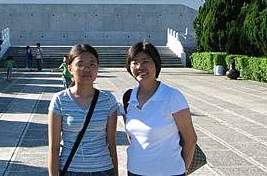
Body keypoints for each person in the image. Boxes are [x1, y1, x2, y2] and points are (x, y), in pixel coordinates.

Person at [122, 42, 197, 176]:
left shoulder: (172, 96)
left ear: (156, 64)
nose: (140, 67)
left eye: (145, 61)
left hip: (169, 172)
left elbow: (190, 139)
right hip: (134, 171)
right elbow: (132, 137)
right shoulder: (128, 97)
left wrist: (183, 169)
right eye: (135, 62)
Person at [48, 44, 118, 176]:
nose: (87, 69)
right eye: (80, 64)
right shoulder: (59, 100)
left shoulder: (108, 100)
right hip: (71, 169)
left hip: (103, 169)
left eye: (92, 64)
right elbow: (54, 147)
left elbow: (111, 144)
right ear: (69, 68)